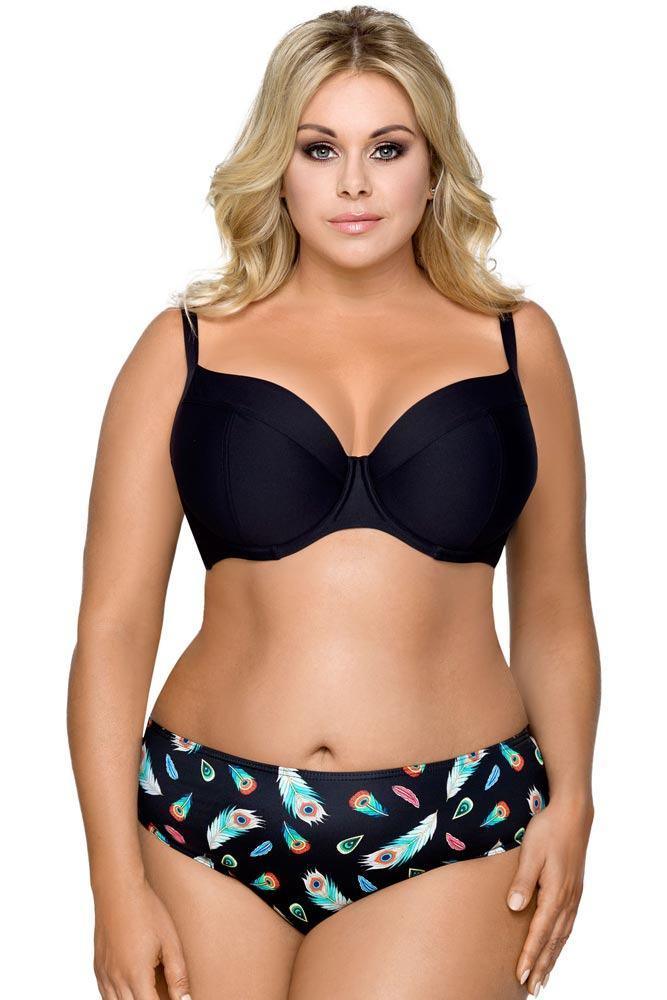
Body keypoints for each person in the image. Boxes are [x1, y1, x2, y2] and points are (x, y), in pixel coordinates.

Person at [67, 6, 599, 999]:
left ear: (432, 166)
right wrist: (111, 879)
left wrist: (574, 801)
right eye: (320, 149)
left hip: (455, 819)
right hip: (202, 813)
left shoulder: (516, 343)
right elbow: (113, 627)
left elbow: (556, 605)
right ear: (279, 166)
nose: (353, 183)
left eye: (386, 148)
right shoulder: (183, 348)